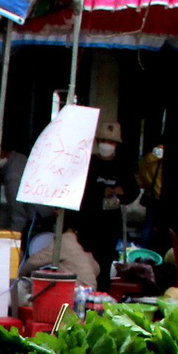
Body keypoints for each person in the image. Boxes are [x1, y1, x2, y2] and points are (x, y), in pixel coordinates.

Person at [77, 119, 134, 289]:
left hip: (110, 224)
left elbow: (133, 191)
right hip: (88, 222)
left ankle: (102, 295)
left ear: (116, 144)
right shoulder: (89, 163)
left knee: (105, 262)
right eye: (103, 141)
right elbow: (81, 190)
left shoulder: (122, 166)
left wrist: (120, 192)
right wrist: (101, 192)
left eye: (110, 142)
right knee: (86, 262)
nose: (106, 145)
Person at [20, 223, 99, 289]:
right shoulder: (77, 243)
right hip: (90, 290)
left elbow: (35, 261)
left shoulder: (64, 241)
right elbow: (97, 268)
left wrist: (18, 274)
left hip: (76, 291)